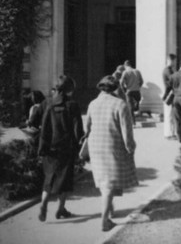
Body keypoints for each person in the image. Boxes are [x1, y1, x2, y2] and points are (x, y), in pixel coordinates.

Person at [85, 75, 138, 232]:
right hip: (113, 146)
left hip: (96, 146)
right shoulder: (120, 104)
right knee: (109, 184)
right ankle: (104, 221)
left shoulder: (92, 104)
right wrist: (131, 148)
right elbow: (127, 132)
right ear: (116, 88)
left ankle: (110, 208)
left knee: (104, 180)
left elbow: (87, 128)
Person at [37, 75, 84, 223]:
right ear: (69, 89)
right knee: (65, 180)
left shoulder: (46, 103)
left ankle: (44, 203)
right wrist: (80, 147)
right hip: (67, 148)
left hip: (49, 147)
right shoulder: (72, 105)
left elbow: (33, 119)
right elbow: (78, 130)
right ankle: (61, 209)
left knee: (49, 178)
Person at [120, 60, 144, 125]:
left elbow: (121, 83)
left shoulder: (125, 72)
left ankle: (133, 122)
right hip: (137, 91)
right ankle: (136, 111)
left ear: (125, 66)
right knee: (136, 105)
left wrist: (124, 90)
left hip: (129, 91)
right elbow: (141, 81)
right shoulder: (137, 71)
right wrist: (138, 86)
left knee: (130, 108)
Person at [162, 54, 177, 140]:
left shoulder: (169, 70)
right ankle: (169, 134)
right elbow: (173, 82)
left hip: (168, 94)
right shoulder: (168, 70)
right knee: (169, 115)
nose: (175, 62)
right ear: (170, 60)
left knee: (170, 115)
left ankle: (170, 133)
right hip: (169, 95)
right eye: (174, 60)